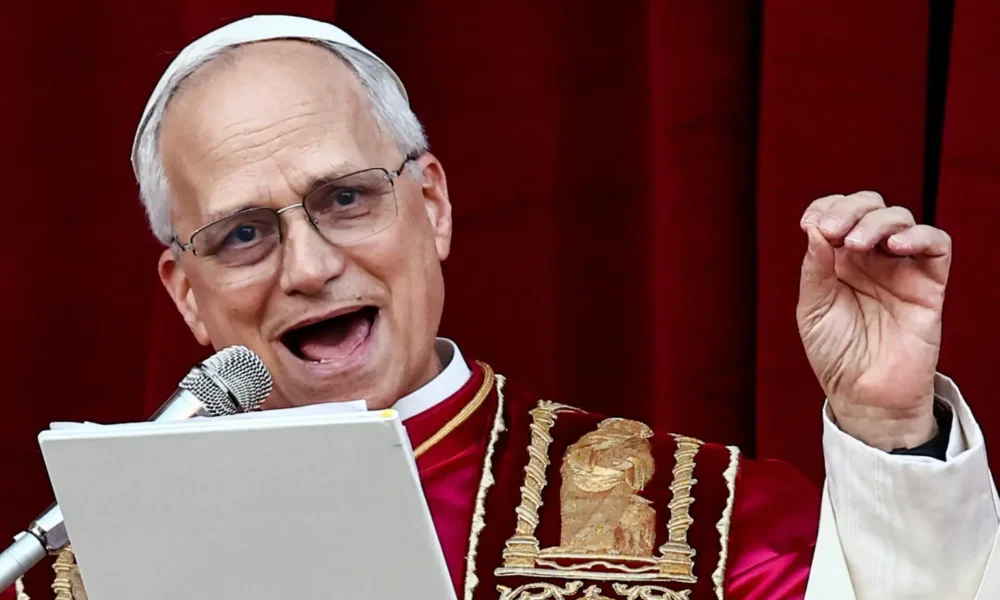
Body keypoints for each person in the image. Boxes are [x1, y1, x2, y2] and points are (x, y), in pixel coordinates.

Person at [7, 14, 997, 600]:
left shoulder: (704, 524)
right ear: (187, 295)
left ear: (432, 206)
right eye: (242, 235)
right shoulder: (74, 575)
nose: (307, 267)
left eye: (345, 199)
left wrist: (888, 431)